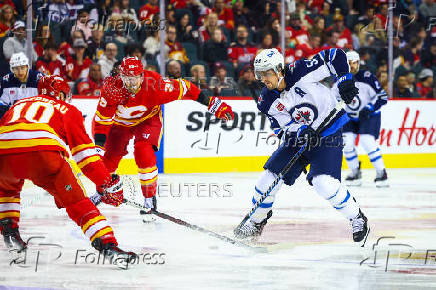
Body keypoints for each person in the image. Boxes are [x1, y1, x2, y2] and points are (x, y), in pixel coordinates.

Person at [233, 48, 370, 247]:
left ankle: (357, 217)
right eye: (259, 74)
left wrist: (345, 79)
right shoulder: (266, 99)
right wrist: (299, 131)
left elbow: (335, 56)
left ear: (279, 69)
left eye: (266, 73)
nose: (263, 78)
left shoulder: (300, 70)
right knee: (268, 179)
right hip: (299, 138)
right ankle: (256, 221)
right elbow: (281, 128)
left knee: (323, 183)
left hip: (328, 133)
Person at [0, 75, 136, 264]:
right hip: (43, 156)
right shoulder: (68, 110)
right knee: (78, 202)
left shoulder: (17, 105)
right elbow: (85, 156)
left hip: (3, 153)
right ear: (62, 95)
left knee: (7, 188)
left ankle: (9, 230)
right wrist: (106, 183)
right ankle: (107, 245)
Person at [90, 57, 234, 222]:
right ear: (120, 76)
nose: (131, 83)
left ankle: (149, 199)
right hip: (119, 125)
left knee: (144, 154)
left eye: (135, 78)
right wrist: (99, 149)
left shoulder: (156, 85)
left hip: (147, 121)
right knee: (108, 161)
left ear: (142, 76)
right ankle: (101, 192)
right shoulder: (111, 89)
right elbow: (101, 124)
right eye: (127, 78)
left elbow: (186, 88)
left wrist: (212, 104)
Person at [340, 51, 389, 187]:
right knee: (346, 142)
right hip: (350, 116)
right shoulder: (340, 80)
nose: (351, 66)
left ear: (358, 63)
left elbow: (383, 97)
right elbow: (333, 100)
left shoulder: (367, 77)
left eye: (354, 63)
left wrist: (369, 108)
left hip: (369, 115)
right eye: (348, 63)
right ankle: (355, 171)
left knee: (366, 140)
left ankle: (381, 172)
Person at [0, 52, 43, 119]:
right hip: (13, 119)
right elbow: (2, 104)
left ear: (27, 67)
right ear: (12, 69)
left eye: (22, 68)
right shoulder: (6, 81)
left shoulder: (39, 78)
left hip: (36, 119)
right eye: (16, 69)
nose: (20, 72)